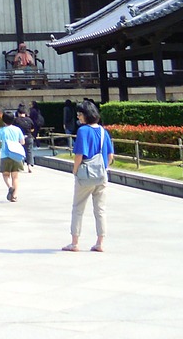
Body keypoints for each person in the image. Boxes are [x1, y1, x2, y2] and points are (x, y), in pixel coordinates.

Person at [64, 100, 115, 252]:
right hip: (101, 175)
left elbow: (79, 155)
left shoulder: (83, 131)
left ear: (86, 115)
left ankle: (74, 242)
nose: (78, 117)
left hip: (85, 175)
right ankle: (100, 242)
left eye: (80, 114)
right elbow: (110, 156)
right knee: (100, 210)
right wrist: (103, 168)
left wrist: (75, 170)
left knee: (78, 208)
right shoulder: (103, 131)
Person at [0, 109, 26, 202]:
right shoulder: (18, 129)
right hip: (16, 155)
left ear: (3, 120)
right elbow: (22, 142)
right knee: (15, 176)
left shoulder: (1, 130)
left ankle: (10, 187)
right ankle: (14, 196)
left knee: (5, 174)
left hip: (5, 155)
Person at [15, 104, 35, 171]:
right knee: (29, 151)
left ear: (18, 113)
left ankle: (20, 166)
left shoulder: (16, 120)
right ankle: (29, 166)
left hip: (20, 138)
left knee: (20, 152)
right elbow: (32, 129)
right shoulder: (29, 120)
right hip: (29, 137)